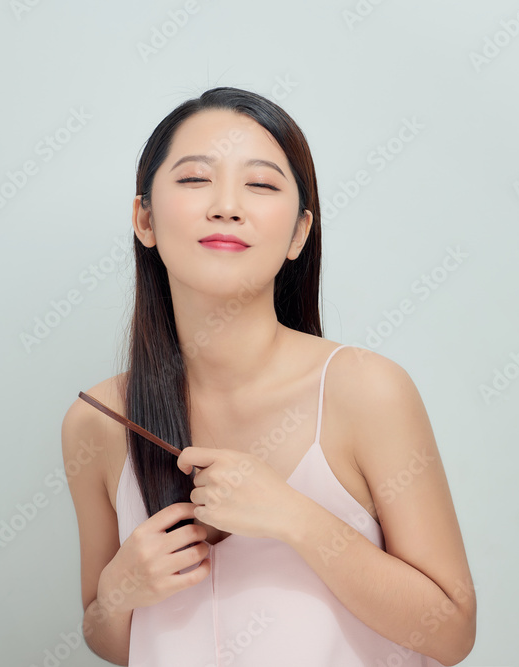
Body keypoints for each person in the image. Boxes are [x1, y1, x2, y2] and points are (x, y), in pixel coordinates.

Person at [61, 86, 476, 666]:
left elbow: (451, 632)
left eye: (260, 185)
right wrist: (119, 591)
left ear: (300, 234)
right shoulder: (97, 423)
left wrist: (294, 517)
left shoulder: (366, 390)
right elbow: (106, 636)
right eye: (194, 179)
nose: (226, 205)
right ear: (144, 219)